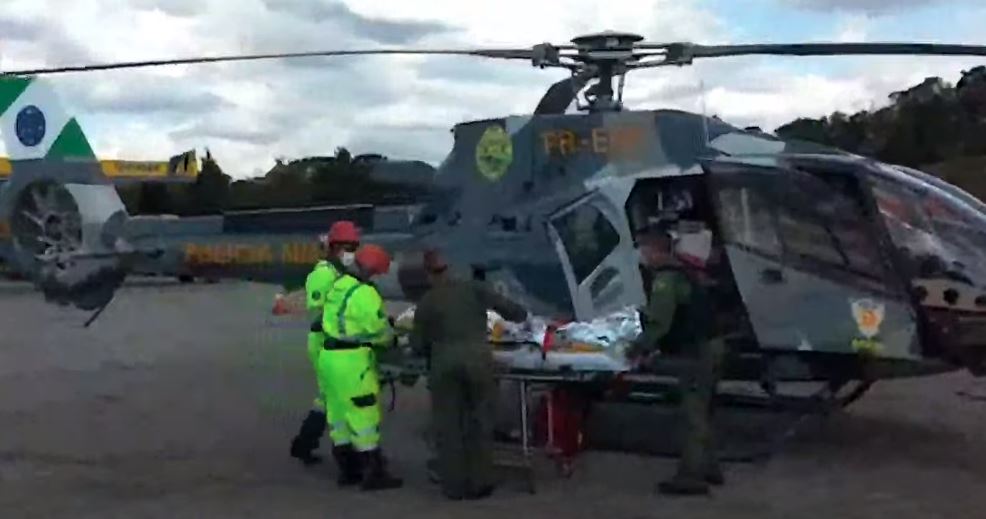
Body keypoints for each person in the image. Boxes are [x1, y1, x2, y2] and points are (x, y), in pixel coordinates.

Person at [409, 249, 528, 500]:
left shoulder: (427, 301)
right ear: (451, 268)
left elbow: (417, 345)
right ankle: (480, 483)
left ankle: (453, 487)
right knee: (481, 421)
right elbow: (515, 312)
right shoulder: (474, 288)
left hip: (444, 365)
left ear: (429, 274)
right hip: (478, 361)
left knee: (448, 425)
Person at [626, 226, 726, 496]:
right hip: (713, 344)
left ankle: (691, 476)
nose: (642, 255)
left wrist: (637, 348)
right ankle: (710, 467)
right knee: (704, 407)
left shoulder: (665, 280)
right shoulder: (684, 271)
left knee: (693, 413)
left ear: (655, 250)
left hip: (698, 350)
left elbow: (660, 323)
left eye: (643, 249)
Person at [319, 243, 403, 491]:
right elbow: (379, 331)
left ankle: (348, 470)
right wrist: (393, 337)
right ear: (371, 270)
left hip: (328, 357)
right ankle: (374, 473)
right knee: (363, 414)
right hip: (351, 360)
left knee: (338, 415)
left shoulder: (339, 285)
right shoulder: (365, 293)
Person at [290, 221, 361, 470]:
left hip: (331, 340)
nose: (350, 251)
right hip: (324, 341)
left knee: (327, 398)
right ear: (332, 247)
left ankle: (304, 445)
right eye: (345, 246)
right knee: (337, 398)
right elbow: (321, 310)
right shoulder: (323, 274)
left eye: (353, 246)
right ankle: (347, 457)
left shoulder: (338, 272)